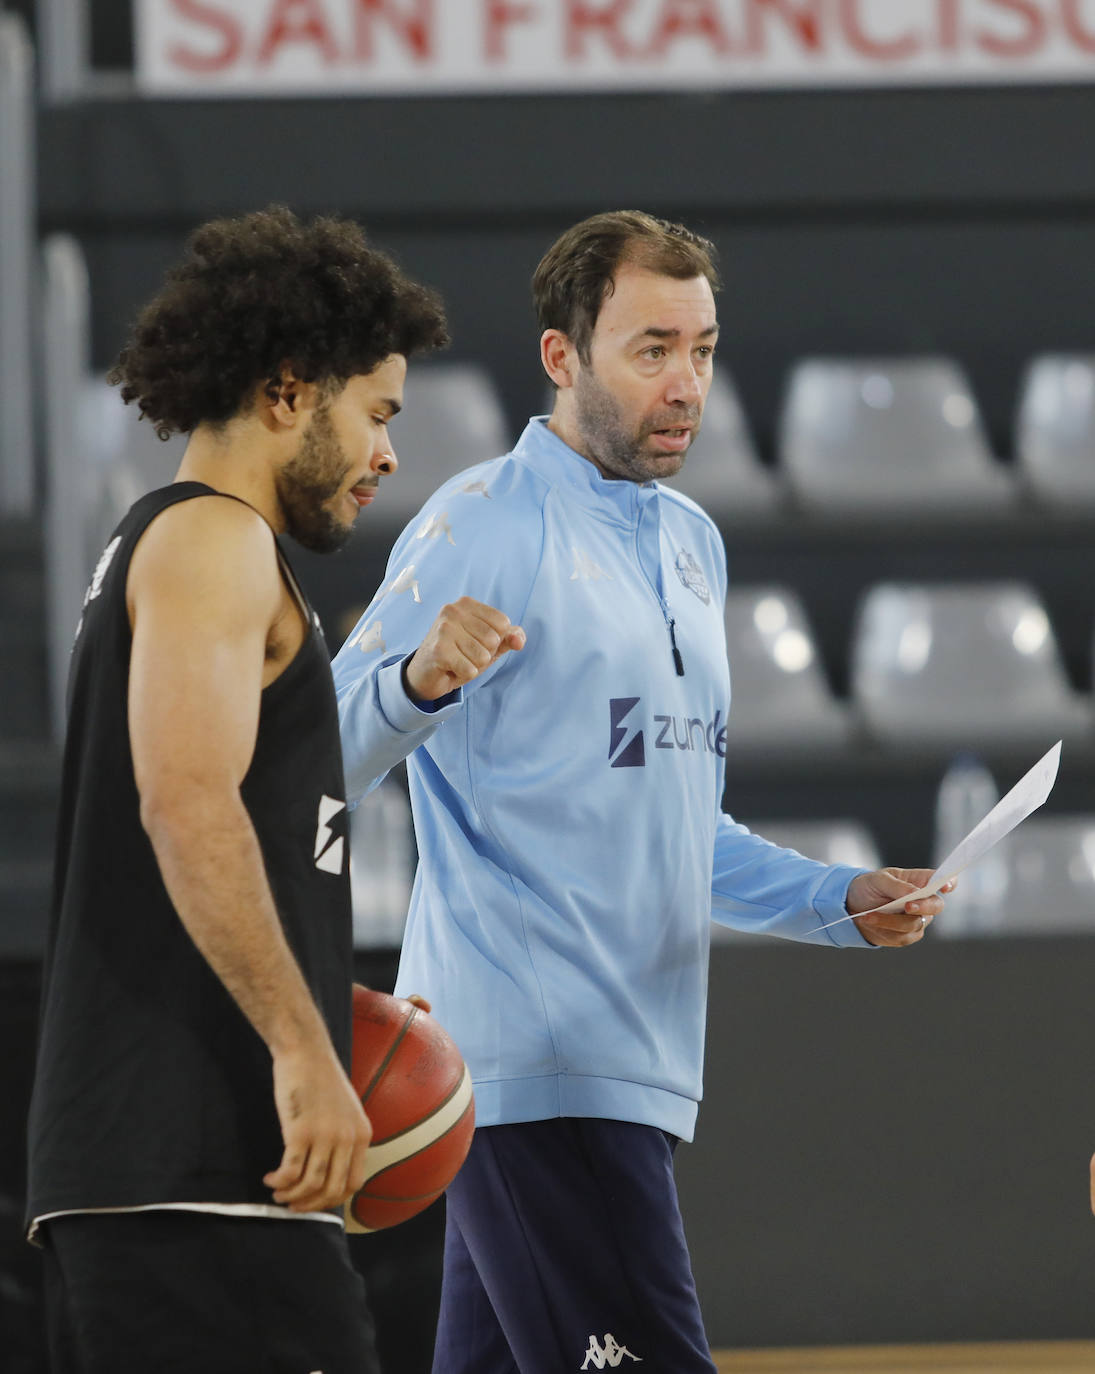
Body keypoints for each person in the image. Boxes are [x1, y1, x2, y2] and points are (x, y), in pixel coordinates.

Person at [331, 210, 951, 1374]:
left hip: (632, 1063)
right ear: (563, 359)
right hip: (530, 1065)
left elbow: (679, 826)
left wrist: (840, 898)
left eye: (703, 349)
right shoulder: (482, 519)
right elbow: (311, 749)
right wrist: (417, 680)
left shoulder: (692, 544)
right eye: (650, 349)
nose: (685, 385)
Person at [25, 205, 448, 1374]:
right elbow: (188, 804)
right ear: (285, 393)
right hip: (195, 1176)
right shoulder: (215, 542)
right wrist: (306, 1052)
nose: (387, 454)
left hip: (171, 1186)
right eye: (375, 414)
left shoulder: (165, 546)